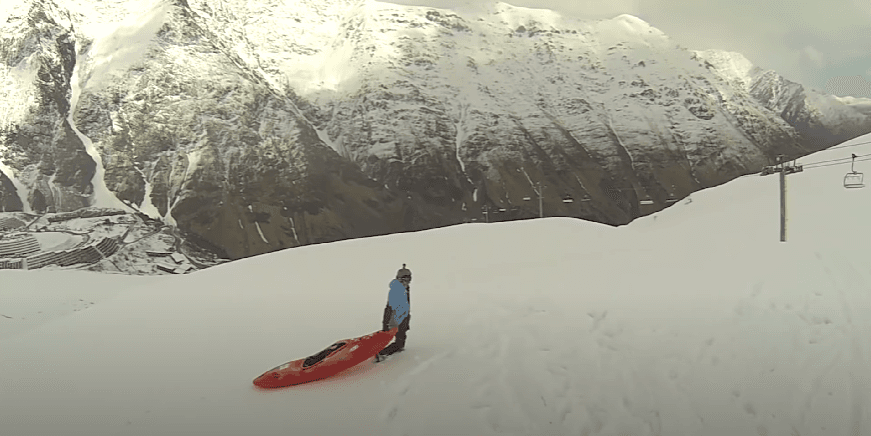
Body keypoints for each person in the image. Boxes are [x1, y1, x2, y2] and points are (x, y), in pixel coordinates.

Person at [376, 264, 411, 361]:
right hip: (395, 317)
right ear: (399, 279)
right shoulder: (397, 289)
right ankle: (381, 353)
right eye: (404, 279)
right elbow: (391, 307)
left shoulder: (404, 288)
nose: (407, 282)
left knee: (401, 339)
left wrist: (406, 317)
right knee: (389, 336)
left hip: (403, 316)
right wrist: (391, 323)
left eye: (408, 279)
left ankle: (397, 348)